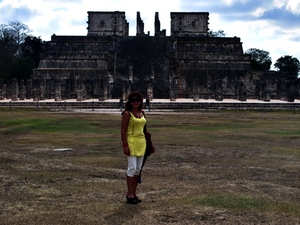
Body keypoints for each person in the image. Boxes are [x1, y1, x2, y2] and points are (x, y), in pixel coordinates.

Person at [121, 91, 147, 204]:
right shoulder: (127, 114)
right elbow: (123, 130)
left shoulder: (142, 113)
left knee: (138, 169)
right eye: (133, 100)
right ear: (130, 102)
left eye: (138, 100)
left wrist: (150, 144)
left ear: (141, 101)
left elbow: (145, 130)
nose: (136, 102)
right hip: (131, 141)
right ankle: (129, 193)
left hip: (141, 142)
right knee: (132, 168)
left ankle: (134, 192)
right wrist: (125, 145)